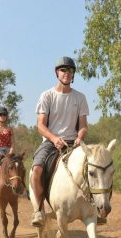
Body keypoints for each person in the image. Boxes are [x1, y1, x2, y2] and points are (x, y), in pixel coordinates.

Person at [30, 56, 89, 227]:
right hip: (51, 142)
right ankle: (39, 210)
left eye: (70, 70)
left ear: (73, 75)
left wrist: (79, 137)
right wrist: (54, 138)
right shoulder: (47, 96)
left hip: (73, 142)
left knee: (95, 167)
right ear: (57, 72)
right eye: (63, 70)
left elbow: (84, 126)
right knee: (36, 170)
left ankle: (95, 208)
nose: (67, 73)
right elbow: (40, 125)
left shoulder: (80, 98)